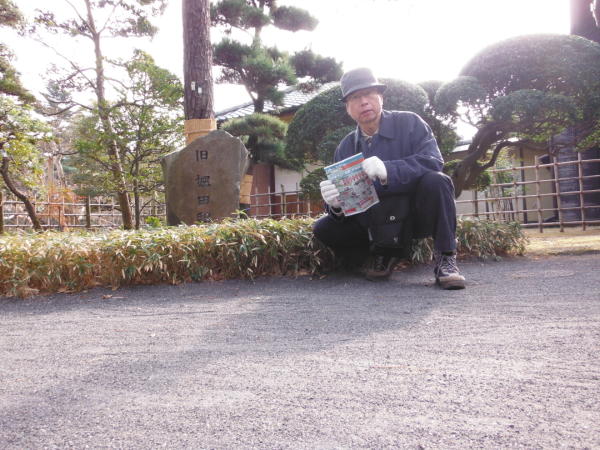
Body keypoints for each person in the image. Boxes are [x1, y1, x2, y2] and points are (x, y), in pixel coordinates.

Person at [313, 67, 466, 290]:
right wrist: (335, 205)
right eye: (355, 97)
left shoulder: (410, 123)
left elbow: (433, 161)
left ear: (381, 97)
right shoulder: (345, 147)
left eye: (369, 93)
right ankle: (376, 255)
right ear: (348, 108)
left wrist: (389, 169)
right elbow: (348, 205)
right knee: (324, 227)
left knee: (438, 180)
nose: (364, 102)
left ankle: (446, 257)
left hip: (415, 215)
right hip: (375, 221)